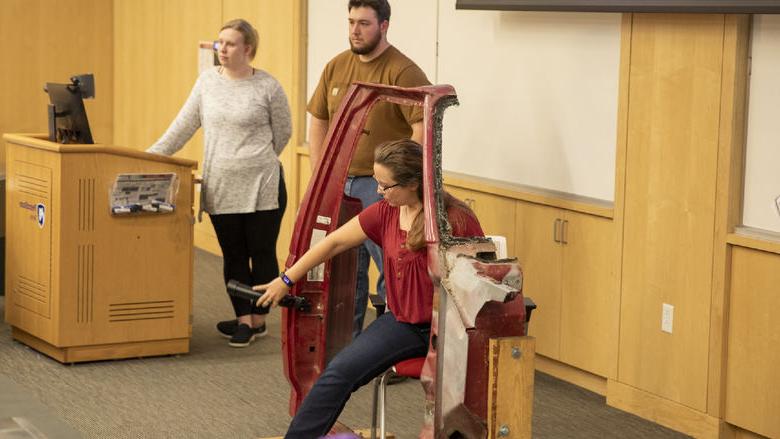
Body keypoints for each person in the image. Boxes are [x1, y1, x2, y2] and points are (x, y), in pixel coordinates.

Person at [253, 140, 484, 438]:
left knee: (453, 406)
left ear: (413, 183)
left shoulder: (454, 219)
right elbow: (333, 242)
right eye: (377, 183)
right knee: (337, 374)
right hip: (403, 324)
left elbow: (480, 279)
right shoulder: (386, 212)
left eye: (385, 186)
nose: (378, 192)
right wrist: (285, 280)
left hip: (451, 331)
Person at [147, 18, 291, 348]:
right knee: (233, 255)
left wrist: (253, 161)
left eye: (229, 43)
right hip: (222, 185)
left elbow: (283, 132)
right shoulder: (207, 83)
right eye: (219, 42)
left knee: (262, 251)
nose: (221, 49)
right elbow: (182, 127)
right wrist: (148, 157)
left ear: (248, 49)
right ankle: (244, 318)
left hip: (263, 185)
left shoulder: (268, 86)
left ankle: (257, 319)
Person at [308, 0, 431, 338]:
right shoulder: (336, 66)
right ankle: (351, 345)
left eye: (363, 23)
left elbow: (421, 129)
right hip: (338, 184)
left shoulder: (403, 71)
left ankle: (395, 344)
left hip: (379, 188)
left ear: (384, 26)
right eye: (350, 22)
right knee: (345, 269)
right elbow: (319, 119)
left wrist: (403, 183)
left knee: (390, 266)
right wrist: (320, 174)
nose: (354, 31)